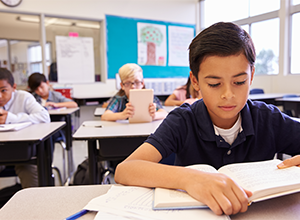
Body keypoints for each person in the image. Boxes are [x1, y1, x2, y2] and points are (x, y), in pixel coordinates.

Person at [114, 22, 300, 216]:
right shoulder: (183, 120)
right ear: (195, 82)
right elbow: (125, 170)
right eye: (214, 84)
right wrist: (190, 179)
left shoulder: (268, 118)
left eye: (239, 82)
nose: (228, 94)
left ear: (251, 75)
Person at [0, 68, 50, 188]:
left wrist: (10, 118)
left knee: (28, 170)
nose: (0, 96)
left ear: (14, 87)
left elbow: (44, 117)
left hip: (22, 152)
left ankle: (34, 204)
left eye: (3, 90)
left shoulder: (23, 97)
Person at [101, 63, 167, 121]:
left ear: (142, 83)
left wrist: (154, 115)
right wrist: (122, 115)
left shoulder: (149, 97)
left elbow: (164, 113)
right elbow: (105, 116)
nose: (133, 86)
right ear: (122, 86)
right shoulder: (119, 99)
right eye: (127, 83)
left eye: (137, 82)